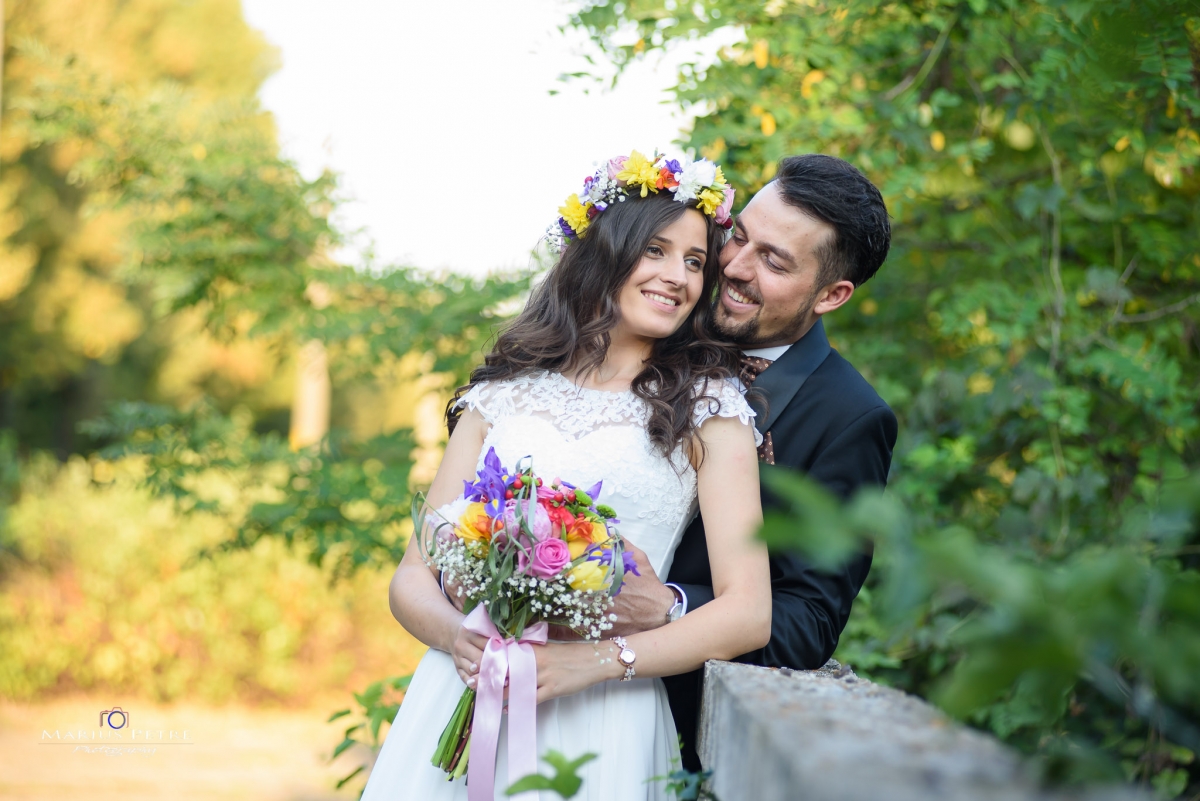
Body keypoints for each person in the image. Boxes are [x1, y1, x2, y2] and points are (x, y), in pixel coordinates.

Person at [360, 152, 772, 800]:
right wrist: (458, 639)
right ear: (605, 251)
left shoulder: (710, 406)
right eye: (658, 251)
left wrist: (596, 662)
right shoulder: (505, 392)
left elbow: (749, 611)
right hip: (460, 689)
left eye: (695, 261)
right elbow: (414, 574)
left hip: (604, 709)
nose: (679, 276)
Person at [606, 154, 899, 770]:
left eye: (773, 261)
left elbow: (810, 620)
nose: (733, 267)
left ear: (832, 295)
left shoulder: (849, 418)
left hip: (666, 732)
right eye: (739, 235)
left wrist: (672, 607)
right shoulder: (654, 315)